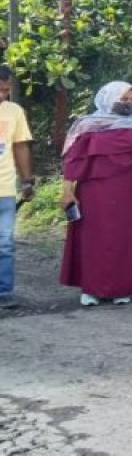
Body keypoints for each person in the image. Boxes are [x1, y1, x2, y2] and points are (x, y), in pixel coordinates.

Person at [60, 81, 132, 306]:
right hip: (94, 191)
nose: (129, 104)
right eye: (123, 99)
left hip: (131, 191)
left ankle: (123, 286)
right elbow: (72, 160)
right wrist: (67, 191)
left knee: (126, 237)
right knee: (93, 237)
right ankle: (90, 288)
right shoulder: (87, 125)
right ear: (108, 99)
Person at [0, 66, 34, 306]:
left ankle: (3, 293)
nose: (3, 94)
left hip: (5, 188)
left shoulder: (14, 111)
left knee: (5, 243)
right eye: (0, 89)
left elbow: (20, 146)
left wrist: (27, 180)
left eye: (6, 90)